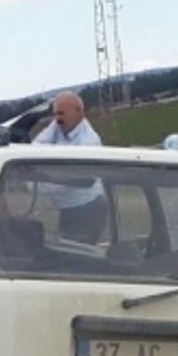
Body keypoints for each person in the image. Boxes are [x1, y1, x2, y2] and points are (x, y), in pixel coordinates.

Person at [32, 92, 106, 243]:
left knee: (75, 252)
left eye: (61, 113)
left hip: (86, 209)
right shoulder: (59, 125)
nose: (57, 119)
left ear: (78, 112)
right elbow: (36, 147)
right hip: (69, 207)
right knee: (65, 246)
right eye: (55, 114)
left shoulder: (88, 143)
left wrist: (30, 184)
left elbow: (65, 181)